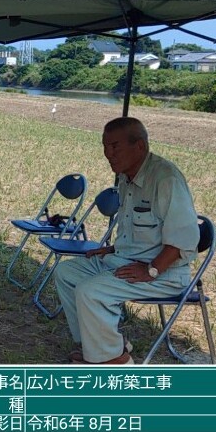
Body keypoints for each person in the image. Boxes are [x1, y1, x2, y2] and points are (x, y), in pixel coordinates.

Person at [54, 117, 199, 364]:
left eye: (115, 146)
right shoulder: (126, 176)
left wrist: (152, 270)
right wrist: (112, 248)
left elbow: (184, 238)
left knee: (92, 291)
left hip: (163, 272)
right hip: (125, 260)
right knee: (66, 272)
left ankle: (115, 360)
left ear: (140, 146)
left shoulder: (166, 179)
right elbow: (138, 229)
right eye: (105, 147)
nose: (108, 154)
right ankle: (93, 345)